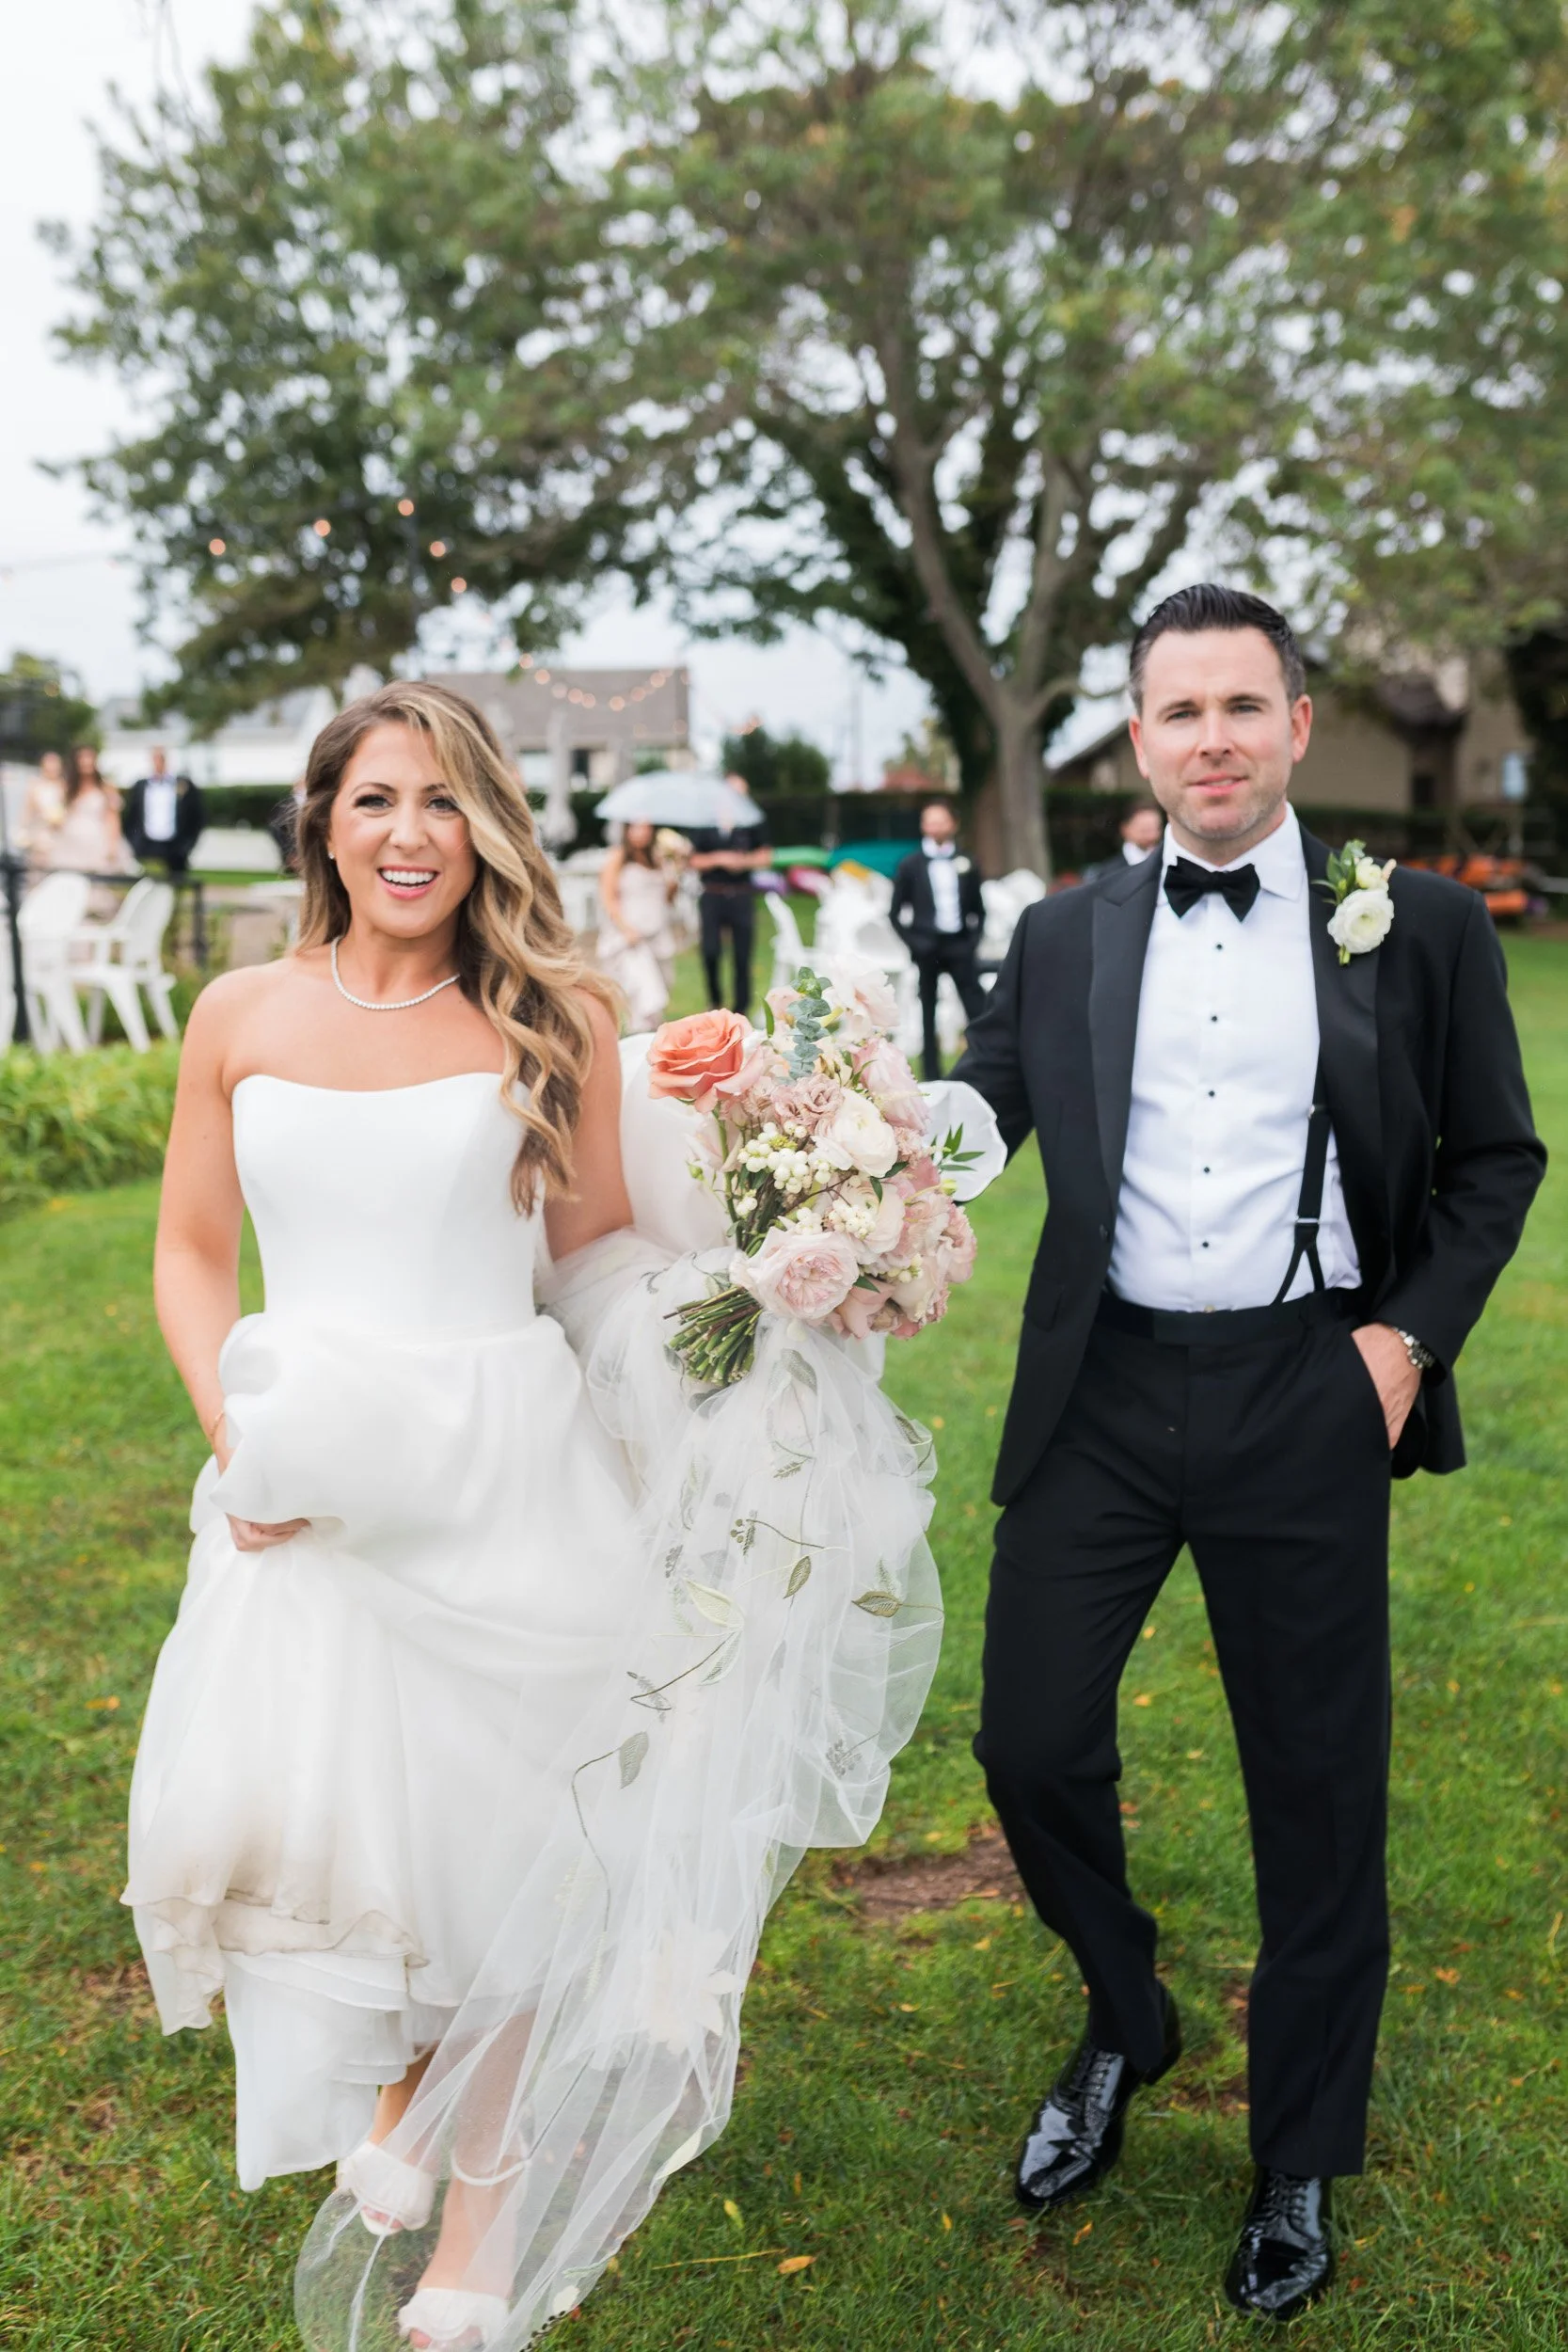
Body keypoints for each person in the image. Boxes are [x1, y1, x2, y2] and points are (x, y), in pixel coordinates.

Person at [124, 680, 940, 2352]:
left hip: (503, 1468)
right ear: (321, 823)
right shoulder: (237, 1014)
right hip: (304, 1483)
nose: (408, 834)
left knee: (509, 1859)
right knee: (357, 1836)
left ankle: (480, 2225)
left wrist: (766, 1305)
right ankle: (402, 2095)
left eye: (442, 800)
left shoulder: (552, 1014)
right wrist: (229, 1434)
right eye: (374, 800)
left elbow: (593, 1261)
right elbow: (192, 1253)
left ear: (487, 826)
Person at [952, 583, 1544, 2320]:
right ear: (1136, 741)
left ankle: (1295, 2145)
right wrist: (853, 1136)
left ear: (1291, 724)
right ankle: (1124, 2015)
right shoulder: (1063, 933)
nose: (1207, 738)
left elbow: (1493, 1161)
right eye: (1175, 710)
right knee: (1027, 1740)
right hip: (1102, 1389)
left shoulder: (1416, 926)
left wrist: (1399, 1342)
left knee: (1315, 1787)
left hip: (1306, 1386)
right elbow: (984, 1099)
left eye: (1238, 706)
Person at [890, 801, 988, 1082]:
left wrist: (972, 940)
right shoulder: (910, 864)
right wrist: (914, 942)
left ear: (953, 824)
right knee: (927, 1010)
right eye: (930, 821)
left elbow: (979, 909)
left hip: (959, 944)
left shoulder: (966, 861)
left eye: (941, 821)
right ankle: (931, 1074)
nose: (935, 827)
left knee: (976, 1007)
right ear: (923, 826)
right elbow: (895, 913)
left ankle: (983, 1064)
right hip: (926, 946)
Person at [685, 773, 769, 1011]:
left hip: (741, 894)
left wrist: (743, 862)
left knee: (743, 955)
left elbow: (766, 856)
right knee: (710, 951)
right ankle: (715, 1000)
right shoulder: (704, 822)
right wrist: (720, 859)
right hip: (713, 894)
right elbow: (693, 860)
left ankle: (741, 1008)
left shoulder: (753, 821)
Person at [594, 818, 679, 1030]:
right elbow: (608, 898)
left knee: (664, 983)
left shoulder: (658, 858)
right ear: (627, 829)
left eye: (647, 827)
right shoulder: (617, 857)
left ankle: (651, 1034)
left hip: (657, 934)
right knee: (645, 990)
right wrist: (626, 929)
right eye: (637, 827)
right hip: (630, 937)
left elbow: (668, 899)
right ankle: (639, 1033)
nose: (642, 832)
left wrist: (675, 871)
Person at [122, 745, 207, 874]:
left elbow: (197, 817)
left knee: (175, 881)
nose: (158, 763)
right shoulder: (140, 786)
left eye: (161, 758)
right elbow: (131, 816)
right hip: (146, 845)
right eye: (155, 759)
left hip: (175, 847)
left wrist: (186, 846)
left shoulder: (183, 784)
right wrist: (134, 842)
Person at [48, 745, 133, 874]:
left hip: (97, 840)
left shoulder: (106, 787)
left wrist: (113, 846)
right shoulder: (69, 788)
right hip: (71, 841)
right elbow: (62, 812)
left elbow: (112, 818)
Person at [1081, 803, 1163, 882]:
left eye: (1157, 829)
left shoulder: (1164, 864)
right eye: (1144, 830)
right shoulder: (1110, 872)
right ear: (1125, 829)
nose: (1152, 836)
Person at [19, 749, 68, 866]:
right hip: (39, 832)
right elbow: (28, 810)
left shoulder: (64, 786)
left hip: (59, 833)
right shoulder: (35, 785)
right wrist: (23, 829)